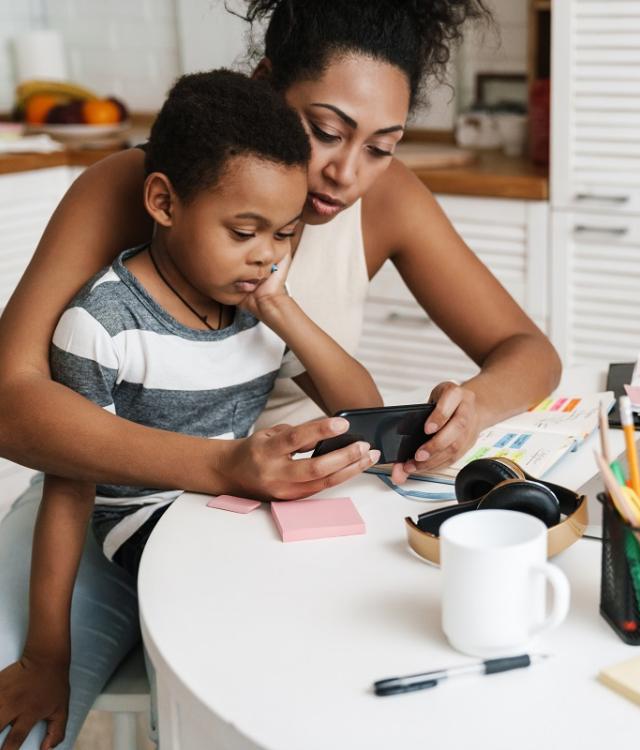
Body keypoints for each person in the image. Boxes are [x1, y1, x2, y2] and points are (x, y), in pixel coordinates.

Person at [0, 0, 561, 500]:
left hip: (287, 506)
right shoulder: (147, 184)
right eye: (324, 130)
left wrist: (473, 409)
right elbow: (10, 402)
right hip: (121, 501)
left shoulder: (389, 199)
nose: (346, 174)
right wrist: (221, 466)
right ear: (265, 83)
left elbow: (530, 351)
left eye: (380, 146)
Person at [0, 69, 384, 750]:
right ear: (163, 202)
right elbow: (69, 484)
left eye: (286, 235)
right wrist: (45, 656)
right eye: (244, 230)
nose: (266, 255)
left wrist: (283, 309)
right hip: (137, 537)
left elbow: (364, 411)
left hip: (222, 525)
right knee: (212, 686)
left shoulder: (258, 310)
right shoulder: (103, 324)